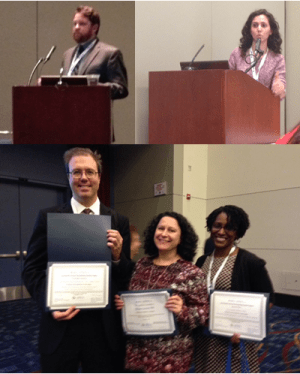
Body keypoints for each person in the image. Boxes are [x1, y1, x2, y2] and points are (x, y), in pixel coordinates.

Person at [22, 147, 131, 373]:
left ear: (99, 177)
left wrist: (119, 257)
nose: (84, 177)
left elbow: (126, 275)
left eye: (90, 172)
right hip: (61, 325)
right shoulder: (48, 217)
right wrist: (49, 304)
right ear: (68, 177)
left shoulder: (118, 220)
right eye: (76, 172)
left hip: (104, 330)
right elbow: (32, 270)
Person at [115, 212, 209, 373]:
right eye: (160, 228)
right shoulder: (142, 265)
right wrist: (125, 305)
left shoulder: (192, 272)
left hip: (169, 358)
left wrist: (183, 311)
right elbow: (135, 299)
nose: (164, 234)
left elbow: (203, 315)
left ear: (181, 238)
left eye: (171, 230)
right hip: (137, 351)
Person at [194, 205, 274, 373]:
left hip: (233, 340)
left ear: (237, 232)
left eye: (229, 227)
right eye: (217, 226)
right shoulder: (202, 261)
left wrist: (246, 328)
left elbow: (268, 301)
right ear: (211, 227)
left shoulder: (250, 262)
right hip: (205, 337)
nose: (221, 232)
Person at [62, 5, 128, 100]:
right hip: (66, 111)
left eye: (82, 24)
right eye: (74, 24)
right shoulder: (67, 55)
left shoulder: (110, 54)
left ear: (94, 28)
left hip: (93, 111)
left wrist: (95, 87)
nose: (76, 27)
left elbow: (121, 89)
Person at [229, 9, 286, 100]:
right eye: (255, 25)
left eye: (263, 25)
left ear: (270, 31)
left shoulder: (277, 59)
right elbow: (229, 84)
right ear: (250, 30)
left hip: (265, 108)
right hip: (239, 107)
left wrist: (280, 87)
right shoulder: (237, 54)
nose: (259, 29)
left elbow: (280, 85)